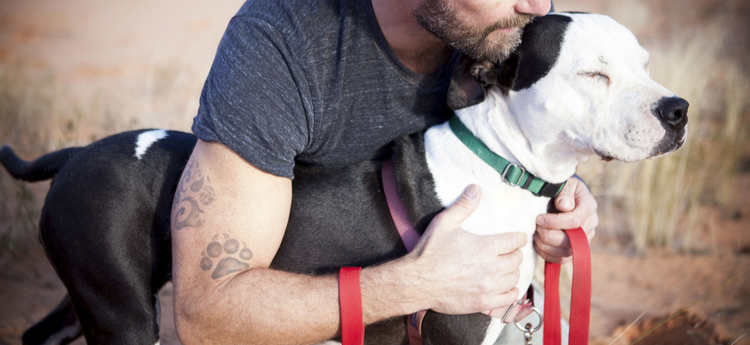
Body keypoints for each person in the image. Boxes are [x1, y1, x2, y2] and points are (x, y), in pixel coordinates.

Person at [170, 0, 599, 344]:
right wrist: (415, 283)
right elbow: (208, 317)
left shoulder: (502, 25)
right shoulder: (282, 41)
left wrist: (558, 194)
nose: (541, 7)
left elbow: (535, 123)